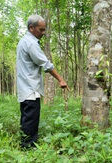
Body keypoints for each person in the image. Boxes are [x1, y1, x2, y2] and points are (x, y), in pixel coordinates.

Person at [16, 14, 69, 149]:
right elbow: (46, 64)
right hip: (30, 88)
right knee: (30, 120)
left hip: (25, 88)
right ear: (31, 27)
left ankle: (25, 144)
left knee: (27, 119)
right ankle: (28, 147)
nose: (43, 33)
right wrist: (61, 79)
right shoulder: (31, 43)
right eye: (41, 30)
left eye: (44, 30)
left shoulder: (24, 41)